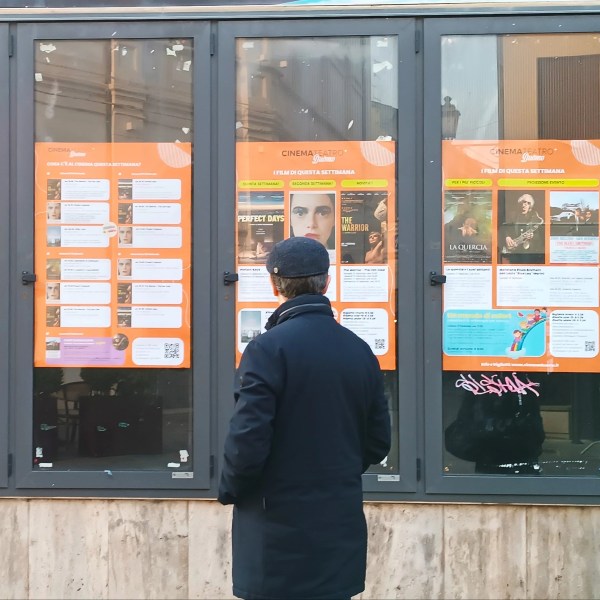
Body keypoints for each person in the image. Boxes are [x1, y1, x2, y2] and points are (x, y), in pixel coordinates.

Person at [219, 236, 391, 600]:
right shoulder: (359, 350)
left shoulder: (266, 349)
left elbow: (248, 439)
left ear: (274, 285)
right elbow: (378, 442)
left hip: (275, 529)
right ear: (326, 282)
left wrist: (232, 489)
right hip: (338, 525)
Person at [501, 193, 544, 263]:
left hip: (529, 256)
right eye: (524, 202)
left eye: (528, 203)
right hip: (513, 254)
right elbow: (503, 228)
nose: (525, 205)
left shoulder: (534, 219)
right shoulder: (512, 216)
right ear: (520, 204)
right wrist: (507, 237)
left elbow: (539, 240)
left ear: (530, 207)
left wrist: (532, 237)